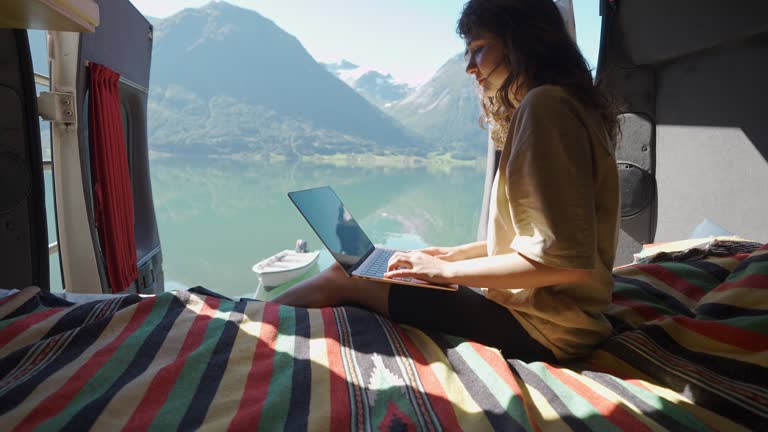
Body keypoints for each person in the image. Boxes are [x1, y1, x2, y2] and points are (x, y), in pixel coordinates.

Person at [274, 0, 620, 363]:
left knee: (344, 278)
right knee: (365, 269)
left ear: (520, 39)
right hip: (555, 318)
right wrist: (451, 254)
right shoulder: (566, 103)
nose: (470, 67)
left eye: (479, 49)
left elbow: (565, 263)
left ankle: (246, 323)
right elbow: (544, 243)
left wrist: (447, 272)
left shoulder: (545, 107)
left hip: (547, 329)